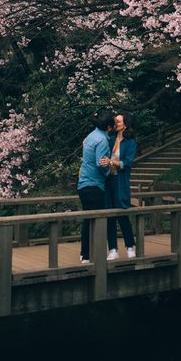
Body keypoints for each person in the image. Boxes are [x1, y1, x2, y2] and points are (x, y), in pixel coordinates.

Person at [77, 109, 113, 263]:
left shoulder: (90, 136)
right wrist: (109, 170)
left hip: (83, 184)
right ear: (109, 127)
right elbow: (101, 163)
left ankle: (84, 253)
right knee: (97, 219)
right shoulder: (102, 140)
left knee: (87, 219)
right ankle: (91, 254)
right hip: (95, 184)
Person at [100, 112, 137, 260]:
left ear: (125, 125)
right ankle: (113, 249)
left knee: (122, 213)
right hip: (108, 180)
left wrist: (111, 162)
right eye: (115, 121)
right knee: (110, 215)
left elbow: (127, 163)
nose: (116, 124)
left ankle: (130, 246)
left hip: (120, 181)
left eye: (119, 122)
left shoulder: (130, 142)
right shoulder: (110, 139)